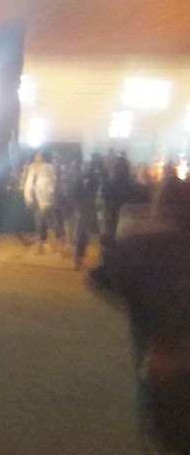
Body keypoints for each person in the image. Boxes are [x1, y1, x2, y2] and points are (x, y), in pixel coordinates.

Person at [90, 175, 190, 452]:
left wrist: (137, 302)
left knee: (166, 435)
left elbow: (99, 277)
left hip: (158, 371)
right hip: (167, 365)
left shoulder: (140, 248)